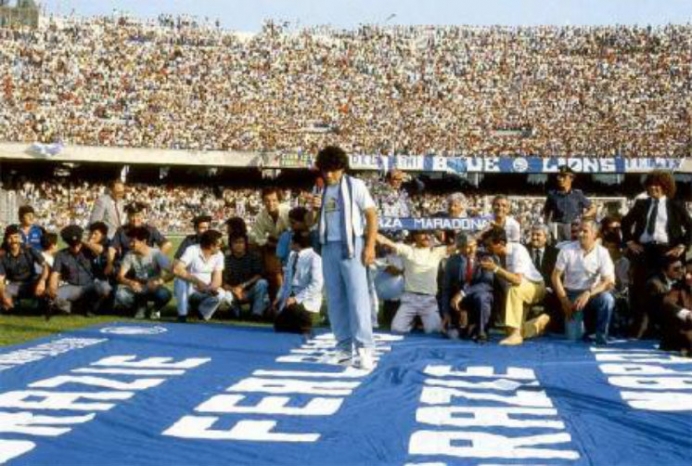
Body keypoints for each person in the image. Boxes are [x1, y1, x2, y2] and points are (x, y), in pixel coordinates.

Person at [309, 145, 378, 369]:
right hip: (328, 246)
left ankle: (365, 349)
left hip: (352, 245)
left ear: (342, 168)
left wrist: (369, 246)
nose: (329, 175)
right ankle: (343, 347)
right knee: (335, 300)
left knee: (358, 299)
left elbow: (371, 215)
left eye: (333, 170)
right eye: (325, 171)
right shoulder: (320, 190)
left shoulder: (355, 185)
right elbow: (312, 222)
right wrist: (313, 209)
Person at [621, 170, 692, 339]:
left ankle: (667, 327)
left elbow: (690, 227)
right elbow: (625, 223)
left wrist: (682, 245)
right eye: (651, 184)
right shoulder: (641, 205)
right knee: (640, 289)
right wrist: (630, 242)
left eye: (657, 185)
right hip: (644, 250)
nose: (653, 188)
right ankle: (641, 327)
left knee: (666, 290)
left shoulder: (675, 204)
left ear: (665, 187)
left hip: (667, 252)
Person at [481, 227, 550, 346]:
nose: (487, 248)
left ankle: (516, 336)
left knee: (514, 289)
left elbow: (517, 280)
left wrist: (495, 269)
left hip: (536, 286)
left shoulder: (518, 250)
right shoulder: (495, 256)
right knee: (509, 331)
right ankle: (537, 324)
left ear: (501, 243)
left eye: (489, 245)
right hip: (520, 290)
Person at [551, 219, 616, 344]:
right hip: (571, 294)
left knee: (608, 299)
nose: (580, 234)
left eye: (585, 231)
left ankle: (601, 336)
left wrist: (588, 293)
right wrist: (564, 300)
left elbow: (608, 281)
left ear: (594, 234)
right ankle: (582, 327)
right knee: (573, 338)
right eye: (579, 231)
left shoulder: (602, 253)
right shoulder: (567, 250)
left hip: (593, 294)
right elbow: (555, 276)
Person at [376, 230, 450, 334]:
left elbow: (463, 244)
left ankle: (416, 324)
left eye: (429, 234)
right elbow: (385, 241)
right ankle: (413, 325)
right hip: (409, 299)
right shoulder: (408, 250)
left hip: (429, 301)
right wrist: (371, 230)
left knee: (435, 333)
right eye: (423, 233)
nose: (427, 237)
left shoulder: (437, 252)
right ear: (415, 236)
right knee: (396, 329)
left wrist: (482, 230)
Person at [441, 233, 494, 342]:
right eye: (468, 247)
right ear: (459, 248)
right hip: (460, 304)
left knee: (482, 296)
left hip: (477, 301)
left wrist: (462, 293)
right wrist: (446, 313)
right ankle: (467, 328)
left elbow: (486, 284)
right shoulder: (452, 262)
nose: (472, 250)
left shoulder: (486, 258)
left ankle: (481, 331)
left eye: (474, 245)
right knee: (452, 336)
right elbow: (445, 289)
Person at [48, 225, 110, 317]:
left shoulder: (89, 250)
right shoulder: (61, 255)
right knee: (55, 297)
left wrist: (82, 240)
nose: (76, 248)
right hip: (72, 286)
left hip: (89, 285)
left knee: (105, 288)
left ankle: (91, 308)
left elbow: (102, 250)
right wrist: (52, 289)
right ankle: (71, 309)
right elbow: (55, 274)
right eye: (73, 246)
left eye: (78, 244)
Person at [173, 229, 231, 323]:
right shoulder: (192, 250)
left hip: (206, 290)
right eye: (219, 245)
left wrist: (211, 288)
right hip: (190, 288)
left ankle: (202, 314)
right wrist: (198, 282)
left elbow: (218, 278)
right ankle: (182, 315)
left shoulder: (219, 255)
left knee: (221, 294)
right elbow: (177, 269)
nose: (221, 247)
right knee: (180, 281)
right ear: (211, 246)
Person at [115, 226, 173, 320]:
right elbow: (120, 276)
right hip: (139, 289)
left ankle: (156, 309)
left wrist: (157, 282)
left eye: (134, 242)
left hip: (154, 288)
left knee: (165, 294)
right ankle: (140, 307)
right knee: (120, 294)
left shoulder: (156, 254)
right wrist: (131, 283)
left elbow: (172, 273)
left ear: (144, 241)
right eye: (130, 241)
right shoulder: (129, 255)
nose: (130, 244)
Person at [273, 230, 324, 336]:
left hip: (306, 303)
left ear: (297, 244)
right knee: (278, 326)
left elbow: (317, 285)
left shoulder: (315, 259)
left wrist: (296, 299)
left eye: (291, 242)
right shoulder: (292, 256)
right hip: (289, 301)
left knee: (297, 319)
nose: (290, 244)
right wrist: (279, 298)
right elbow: (287, 281)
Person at [107, 202, 172, 276]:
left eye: (138, 215)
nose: (135, 219)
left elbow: (167, 244)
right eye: (132, 216)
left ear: (142, 216)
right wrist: (109, 264)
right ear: (128, 217)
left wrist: (156, 260)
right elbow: (112, 248)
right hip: (128, 269)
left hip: (147, 268)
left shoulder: (150, 230)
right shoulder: (121, 231)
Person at [249, 186, 291, 301]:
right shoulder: (261, 216)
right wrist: (271, 244)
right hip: (274, 245)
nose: (270, 203)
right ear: (263, 201)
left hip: (290, 244)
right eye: (267, 200)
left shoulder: (287, 211)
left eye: (274, 200)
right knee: (274, 271)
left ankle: (287, 299)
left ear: (279, 200)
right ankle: (275, 300)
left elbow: (293, 233)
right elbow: (258, 237)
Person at [0, 225, 49, 313]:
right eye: (10, 238)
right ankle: (13, 305)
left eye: (16, 237)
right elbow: (0, 279)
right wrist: (4, 296)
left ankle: (39, 304)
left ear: (20, 238)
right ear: (6, 239)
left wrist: (42, 281)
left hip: (31, 283)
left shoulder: (29, 249)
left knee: (47, 281)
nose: (13, 240)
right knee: (5, 304)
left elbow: (45, 266)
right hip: (13, 285)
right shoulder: (2, 255)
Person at [223, 232, 269, 320]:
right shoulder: (227, 260)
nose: (239, 245)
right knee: (226, 294)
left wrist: (242, 286)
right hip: (233, 291)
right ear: (231, 245)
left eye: (241, 242)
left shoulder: (253, 257)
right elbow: (223, 282)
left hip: (250, 291)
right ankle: (235, 313)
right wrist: (234, 290)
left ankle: (257, 314)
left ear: (245, 244)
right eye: (236, 243)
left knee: (262, 283)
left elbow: (259, 275)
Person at [543, 165, 596, 242]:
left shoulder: (577, 194)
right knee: (558, 250)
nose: (560, 179)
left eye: (564, 176)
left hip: (573, 227)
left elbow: (593, 208)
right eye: (559, 176)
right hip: (558, 228)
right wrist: (546, 227)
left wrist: (584, 216)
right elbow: (546, 212)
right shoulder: (552, 194)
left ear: (571, 178)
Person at [526, 223, 562, 333]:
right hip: (528, 287)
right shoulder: (523, 250)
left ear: (546, 237)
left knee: (559, 295)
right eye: (533, 234)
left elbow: (558, 274)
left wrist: (548, 287)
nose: (534, 237)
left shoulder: (555, 253)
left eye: (538, 235)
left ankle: (551, 326)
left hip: (549, 288)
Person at [659, 258, 692, 356]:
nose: (687, 276)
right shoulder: (679, 286)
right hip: (683, 329)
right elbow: (666, 302)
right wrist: (686, 313)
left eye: (691, 273)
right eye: (687, 272)